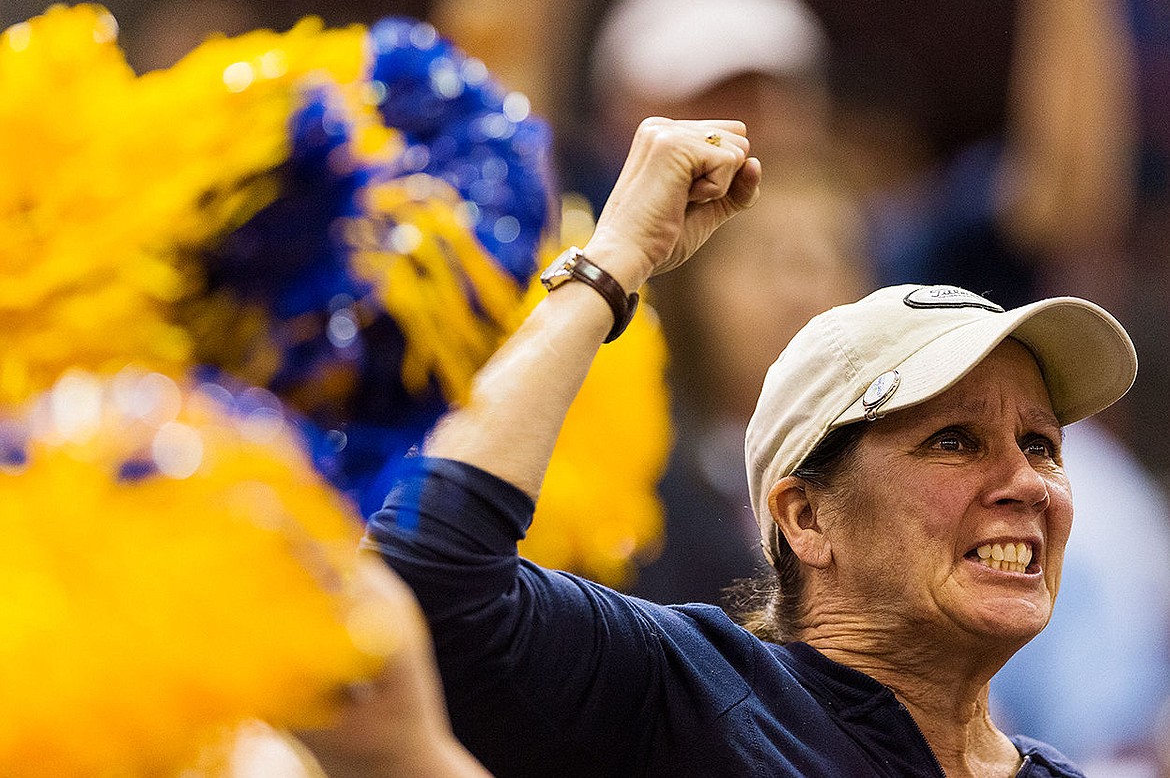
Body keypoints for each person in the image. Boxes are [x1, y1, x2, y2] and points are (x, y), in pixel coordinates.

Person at [364, 118, 1138, 777]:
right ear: (805, 516)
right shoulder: (686, 694)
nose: (1027, 484)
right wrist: (612, 262)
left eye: (1040, 444)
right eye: (954, 439)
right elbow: (420, 580)